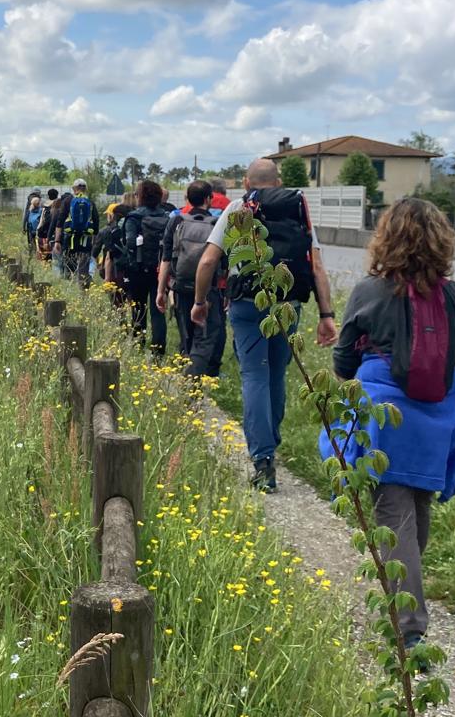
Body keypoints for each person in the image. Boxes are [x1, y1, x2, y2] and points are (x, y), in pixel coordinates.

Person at [325, 197, 455, 652]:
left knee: (393, 514)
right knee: (417, 509)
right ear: (442, 240)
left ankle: (408, 629)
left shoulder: (370, 291)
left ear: (386, 237)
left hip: (386, 419)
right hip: (440, 419)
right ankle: (404, 597)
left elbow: (343, 362)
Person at [191, 158, 337, 491]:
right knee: (275, 375)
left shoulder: (239, 208)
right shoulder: (298, 207)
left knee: (254, 374)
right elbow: (316, 267)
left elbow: (209, 260)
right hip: (288, 303)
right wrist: (326, 316)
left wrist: (200, 302)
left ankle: (263, 458)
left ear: (246, 182)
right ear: (279, 181)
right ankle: (270, 440)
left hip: (247, 303)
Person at [157, 179, 225, 377]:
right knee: (204, 337)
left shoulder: (176, 221)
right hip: (208, 290)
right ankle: (193, 380)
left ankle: (188, 374)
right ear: (209, 199)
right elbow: (224, 263)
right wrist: (226, 291)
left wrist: (161, 291)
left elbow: (166, 260)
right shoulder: (217, 224)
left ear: (187, 198)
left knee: (186, 335)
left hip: (180, 287)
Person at [121, 179, 172, 352]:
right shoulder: (166, 217)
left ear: (140, 196)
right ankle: (158, 348)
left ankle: (138, 343)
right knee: (158, 310)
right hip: (160, 269)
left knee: (138, 309)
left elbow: (129, 242)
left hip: (138, 269)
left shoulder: (134, 217)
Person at [55, 178, 99, 285]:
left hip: (70, 239)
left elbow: (60, 221)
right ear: (85, 189)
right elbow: (96, 223)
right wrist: (94, 241)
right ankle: (83, 287)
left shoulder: (67, 201)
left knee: (69, 265)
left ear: (74, 188)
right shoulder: (90, 202)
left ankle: (70, 286)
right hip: (85, 239)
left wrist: (57, 240)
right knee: (84, 267)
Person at [36, 189, 59, 262]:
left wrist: (38, 229)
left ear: (48, 196)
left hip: (46, 231)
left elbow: (42, 220)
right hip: (55, 231)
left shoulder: (45, 206)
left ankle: (45, 260)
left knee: (45, 247)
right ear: (57, 195)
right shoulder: (59, 205)